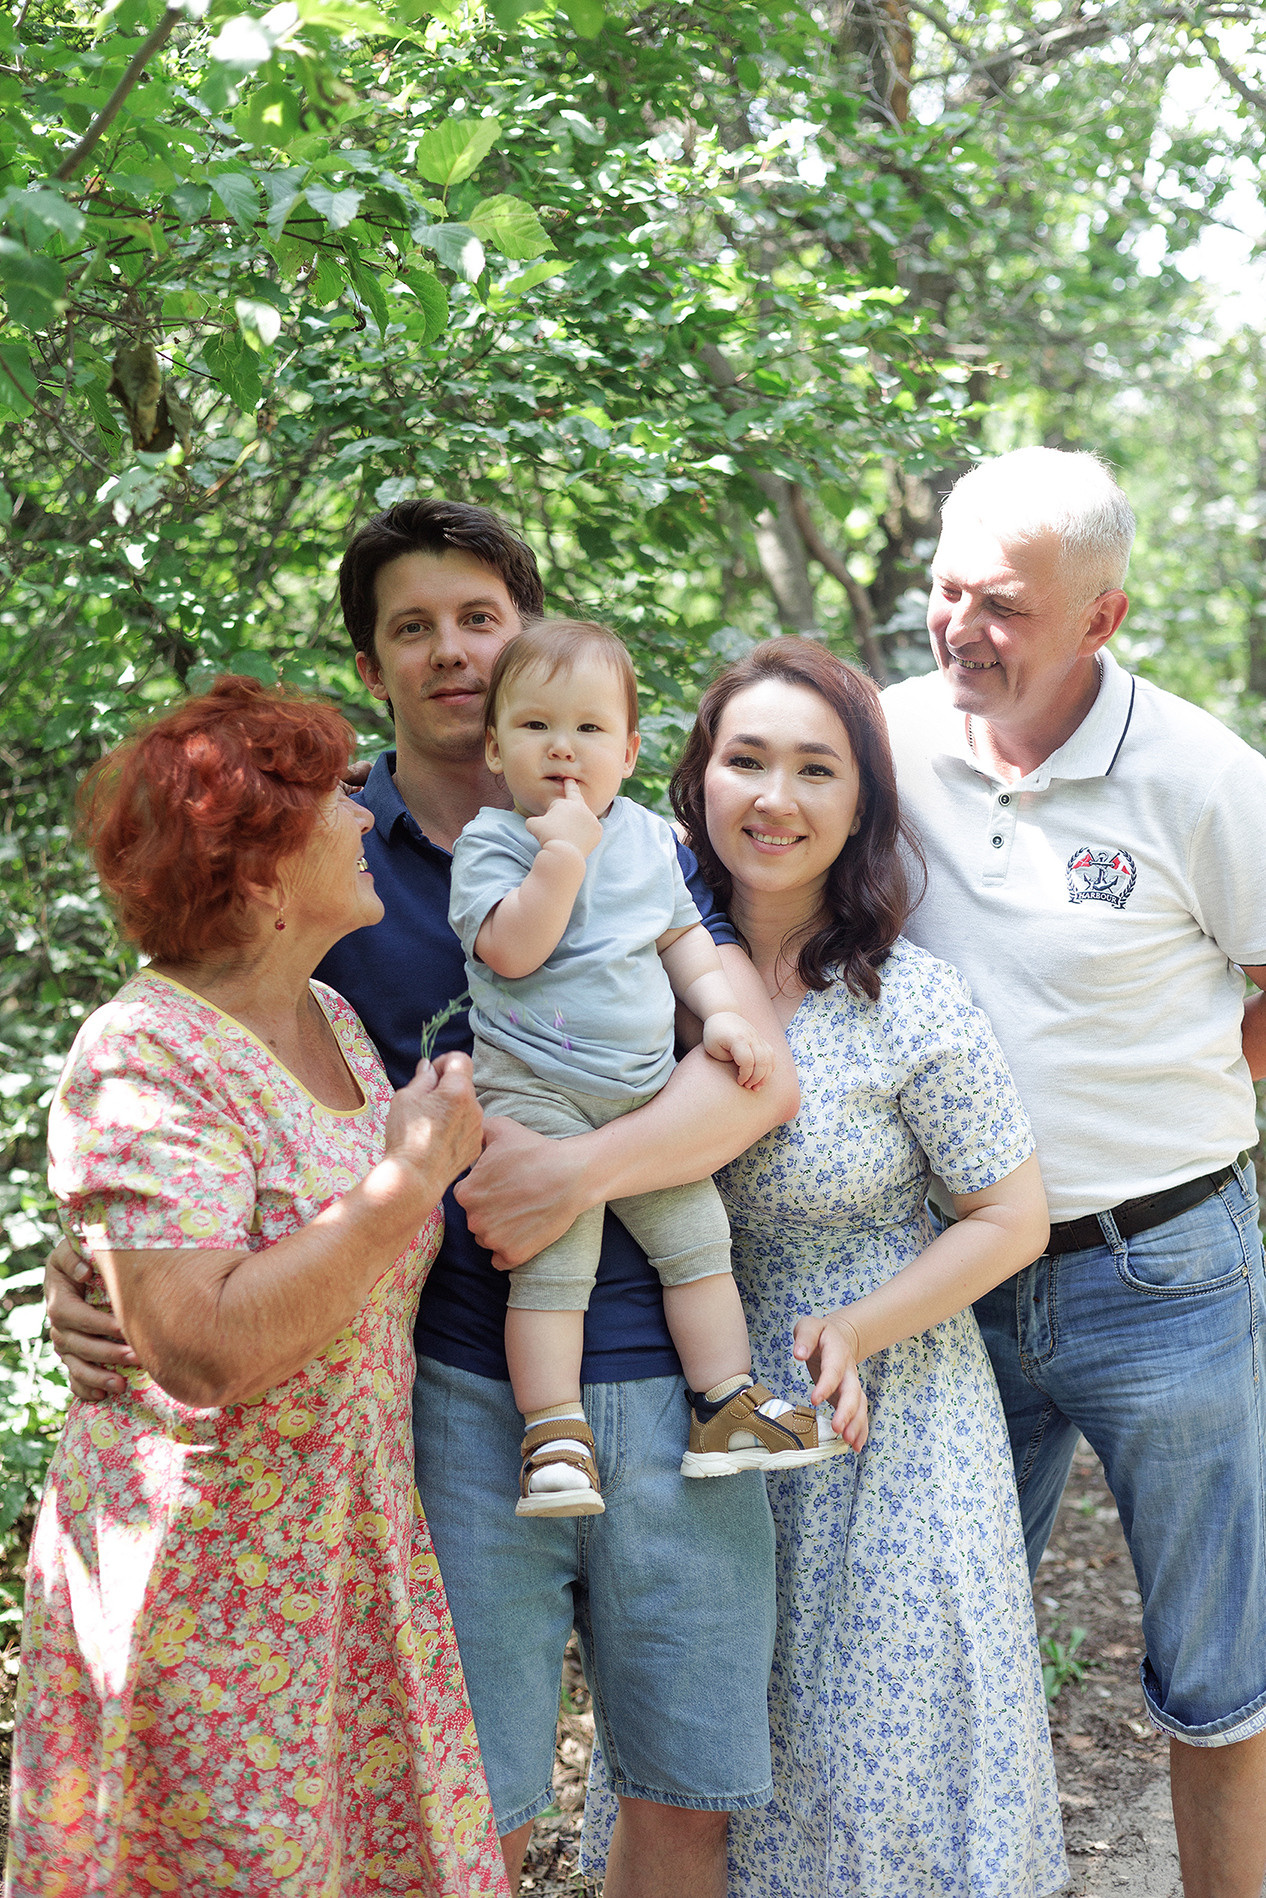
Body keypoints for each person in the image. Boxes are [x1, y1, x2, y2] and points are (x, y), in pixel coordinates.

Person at [45, 501, 801, 1898]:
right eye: (412, 628)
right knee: (464, 1808)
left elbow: (754, 1078)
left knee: (685, 1793)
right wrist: (92, 1265)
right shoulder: (325, 856)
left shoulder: (633, 830)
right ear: (374, 660)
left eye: (478, 620)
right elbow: (197, 1103)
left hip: (660, 1371)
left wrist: (573, 1168)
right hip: (443, 1390)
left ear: (528, 641)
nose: (452, 652)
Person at [579, 637, 1066, 1896]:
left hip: (883, 1435)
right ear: (695, 779)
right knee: (697, 1786)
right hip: (680, 1415)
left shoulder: (909, 998)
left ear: (861, 807)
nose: (774, 799)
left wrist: (856, 1327)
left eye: (815, 769)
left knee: (877, 1784)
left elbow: (1010, 1218)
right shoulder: (631, 979)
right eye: (746, 759)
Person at [9, 677, 505, 1896]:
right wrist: (410, 1176)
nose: (361, 804)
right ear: (264, 872)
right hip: (208, 1589)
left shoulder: (330, 1013)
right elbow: (203, 1348)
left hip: (341, 1557)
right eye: (336, 792)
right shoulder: (147, 1050)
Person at [883, 445, 1266, 1898]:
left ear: (1098, 621)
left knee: (1215, 1662)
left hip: (1158, 1267)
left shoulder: (1202, 778)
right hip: (947, 1272)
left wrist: (1177, 1101)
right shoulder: (882, 739)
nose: (961, 628)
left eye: (1003, 606)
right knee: (928, 1646)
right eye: (944, 592)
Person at [451, 616, 848, 1518]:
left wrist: (720, 1017)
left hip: (640, 1093)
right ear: (494, 747)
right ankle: (553, 1433)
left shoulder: (645, 837)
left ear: (628, 751)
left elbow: (682, 939)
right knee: (555, 1266)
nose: (564, 749)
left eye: (590, 729)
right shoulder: (493, 844)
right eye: (536, 727)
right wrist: (561, 854)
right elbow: (511, 949)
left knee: (701, 1246)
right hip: (536, 1086)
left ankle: (725, 1404)